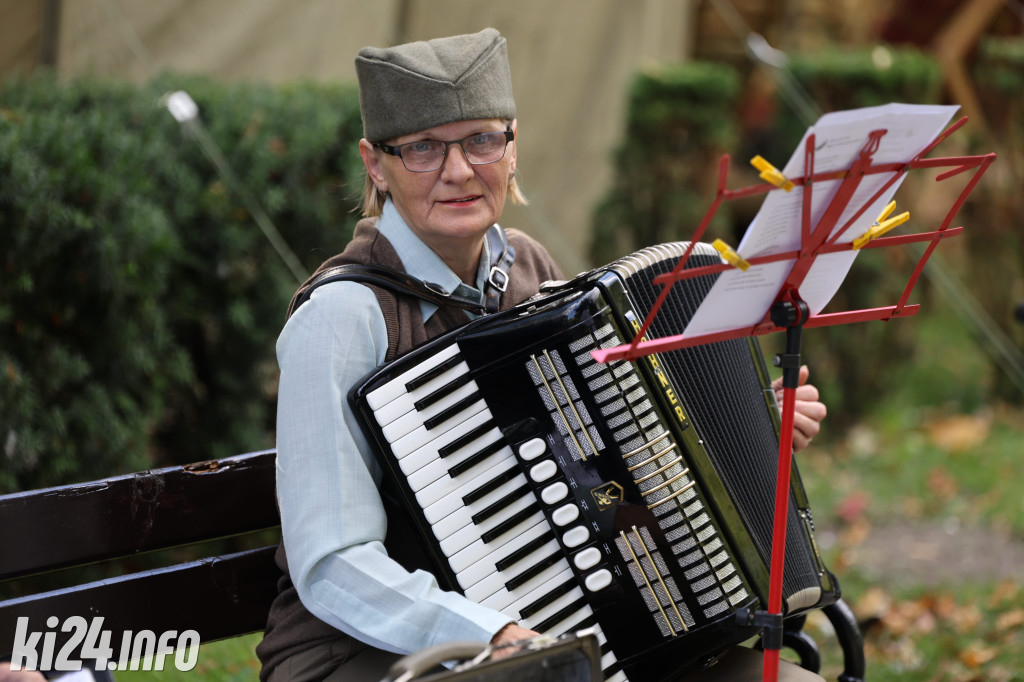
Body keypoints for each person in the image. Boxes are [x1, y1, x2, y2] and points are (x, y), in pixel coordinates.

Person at [256, 28, 826, 682]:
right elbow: (334, 563)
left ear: (513, 145)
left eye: (482, 139)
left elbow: (604, 477)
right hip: (373, 660)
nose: (460, 171)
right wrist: (488, 633)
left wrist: (745, 437)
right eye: (421, 149)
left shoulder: (529, 270)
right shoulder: (341, 318)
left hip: (570, 635)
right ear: (375, 164)